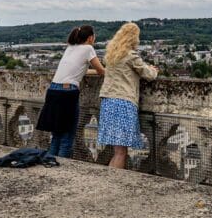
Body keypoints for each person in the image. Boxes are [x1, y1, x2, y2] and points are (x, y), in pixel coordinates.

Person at [36, 25, 104, 158]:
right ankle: (61, 171)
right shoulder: (88, 48)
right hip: (67, 93)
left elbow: (80, 70)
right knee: (67, 136)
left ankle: (50, 162)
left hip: (53, 90)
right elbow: (101, 71)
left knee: (56, 135)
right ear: (90, 38)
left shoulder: (70, 48)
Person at [97, 22, 158, 169]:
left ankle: (109, 182)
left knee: (117, 151)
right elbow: (148, 75)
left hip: (108, 102)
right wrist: (154, 69)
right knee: (121, 152)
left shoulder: (111, 55)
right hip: (123, 103)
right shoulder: (130, 56)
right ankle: (114, 184)